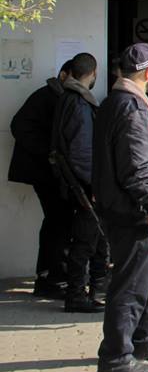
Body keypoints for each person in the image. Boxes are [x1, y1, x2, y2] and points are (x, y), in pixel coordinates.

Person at [93, 43, 148, 372]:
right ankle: (115, 356)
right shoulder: (131, 108)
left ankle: (146, 338)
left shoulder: (117, 102)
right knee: (130, 284)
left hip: (124, 206)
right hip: (132, 211)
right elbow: (134, 168)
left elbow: (128, 152)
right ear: (147, 71)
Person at [8, 59, 73, 298]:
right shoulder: (46, 96)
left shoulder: (59, 96)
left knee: (58, 221)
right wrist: (50, 152)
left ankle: (52, 276)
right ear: (64, 75)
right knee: (58, 222)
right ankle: (50, 278)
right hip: (43, 172)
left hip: (50, 172)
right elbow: (19, 126)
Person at [52, 53, 110, 313]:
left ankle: (95, 286)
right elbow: (81, 152)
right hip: (85, 185)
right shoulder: (78, 103)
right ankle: (76, 295)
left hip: (77, 182)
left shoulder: (67, 97)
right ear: (93, 73)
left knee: (93, 238)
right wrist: (95, 185)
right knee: (86, 240)